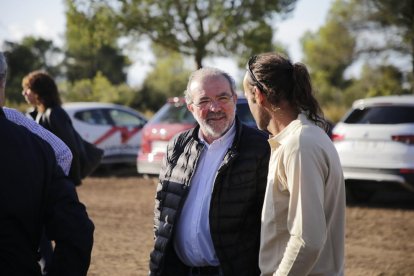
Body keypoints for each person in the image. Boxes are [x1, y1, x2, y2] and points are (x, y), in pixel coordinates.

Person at [149, 67, 270, 276]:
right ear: (191, 107)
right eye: (204, 101)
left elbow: (271, 222)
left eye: (222, 97)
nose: (215, 108)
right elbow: (163, 209)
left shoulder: (260, 148)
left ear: (234, 98)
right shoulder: (177, 145)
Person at [243, 52, 345, 276]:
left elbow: (307, 239)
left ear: (258, 96)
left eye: (248, 100)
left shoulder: (299, 145)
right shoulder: (301, 139)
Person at [0, 56, 94, 276]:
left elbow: (64, 151)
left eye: (28, 89)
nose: (24, 93)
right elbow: (77, 233)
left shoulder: (48, 117)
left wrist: (52, 181)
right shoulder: (28, 125)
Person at [22, 70, 82, 186]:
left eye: (27, 89)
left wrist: (70, 182)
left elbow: (70, 149)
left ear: (39, 91)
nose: (23, 93)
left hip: (59, 180)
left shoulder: (55, 114)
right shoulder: (38, 113)